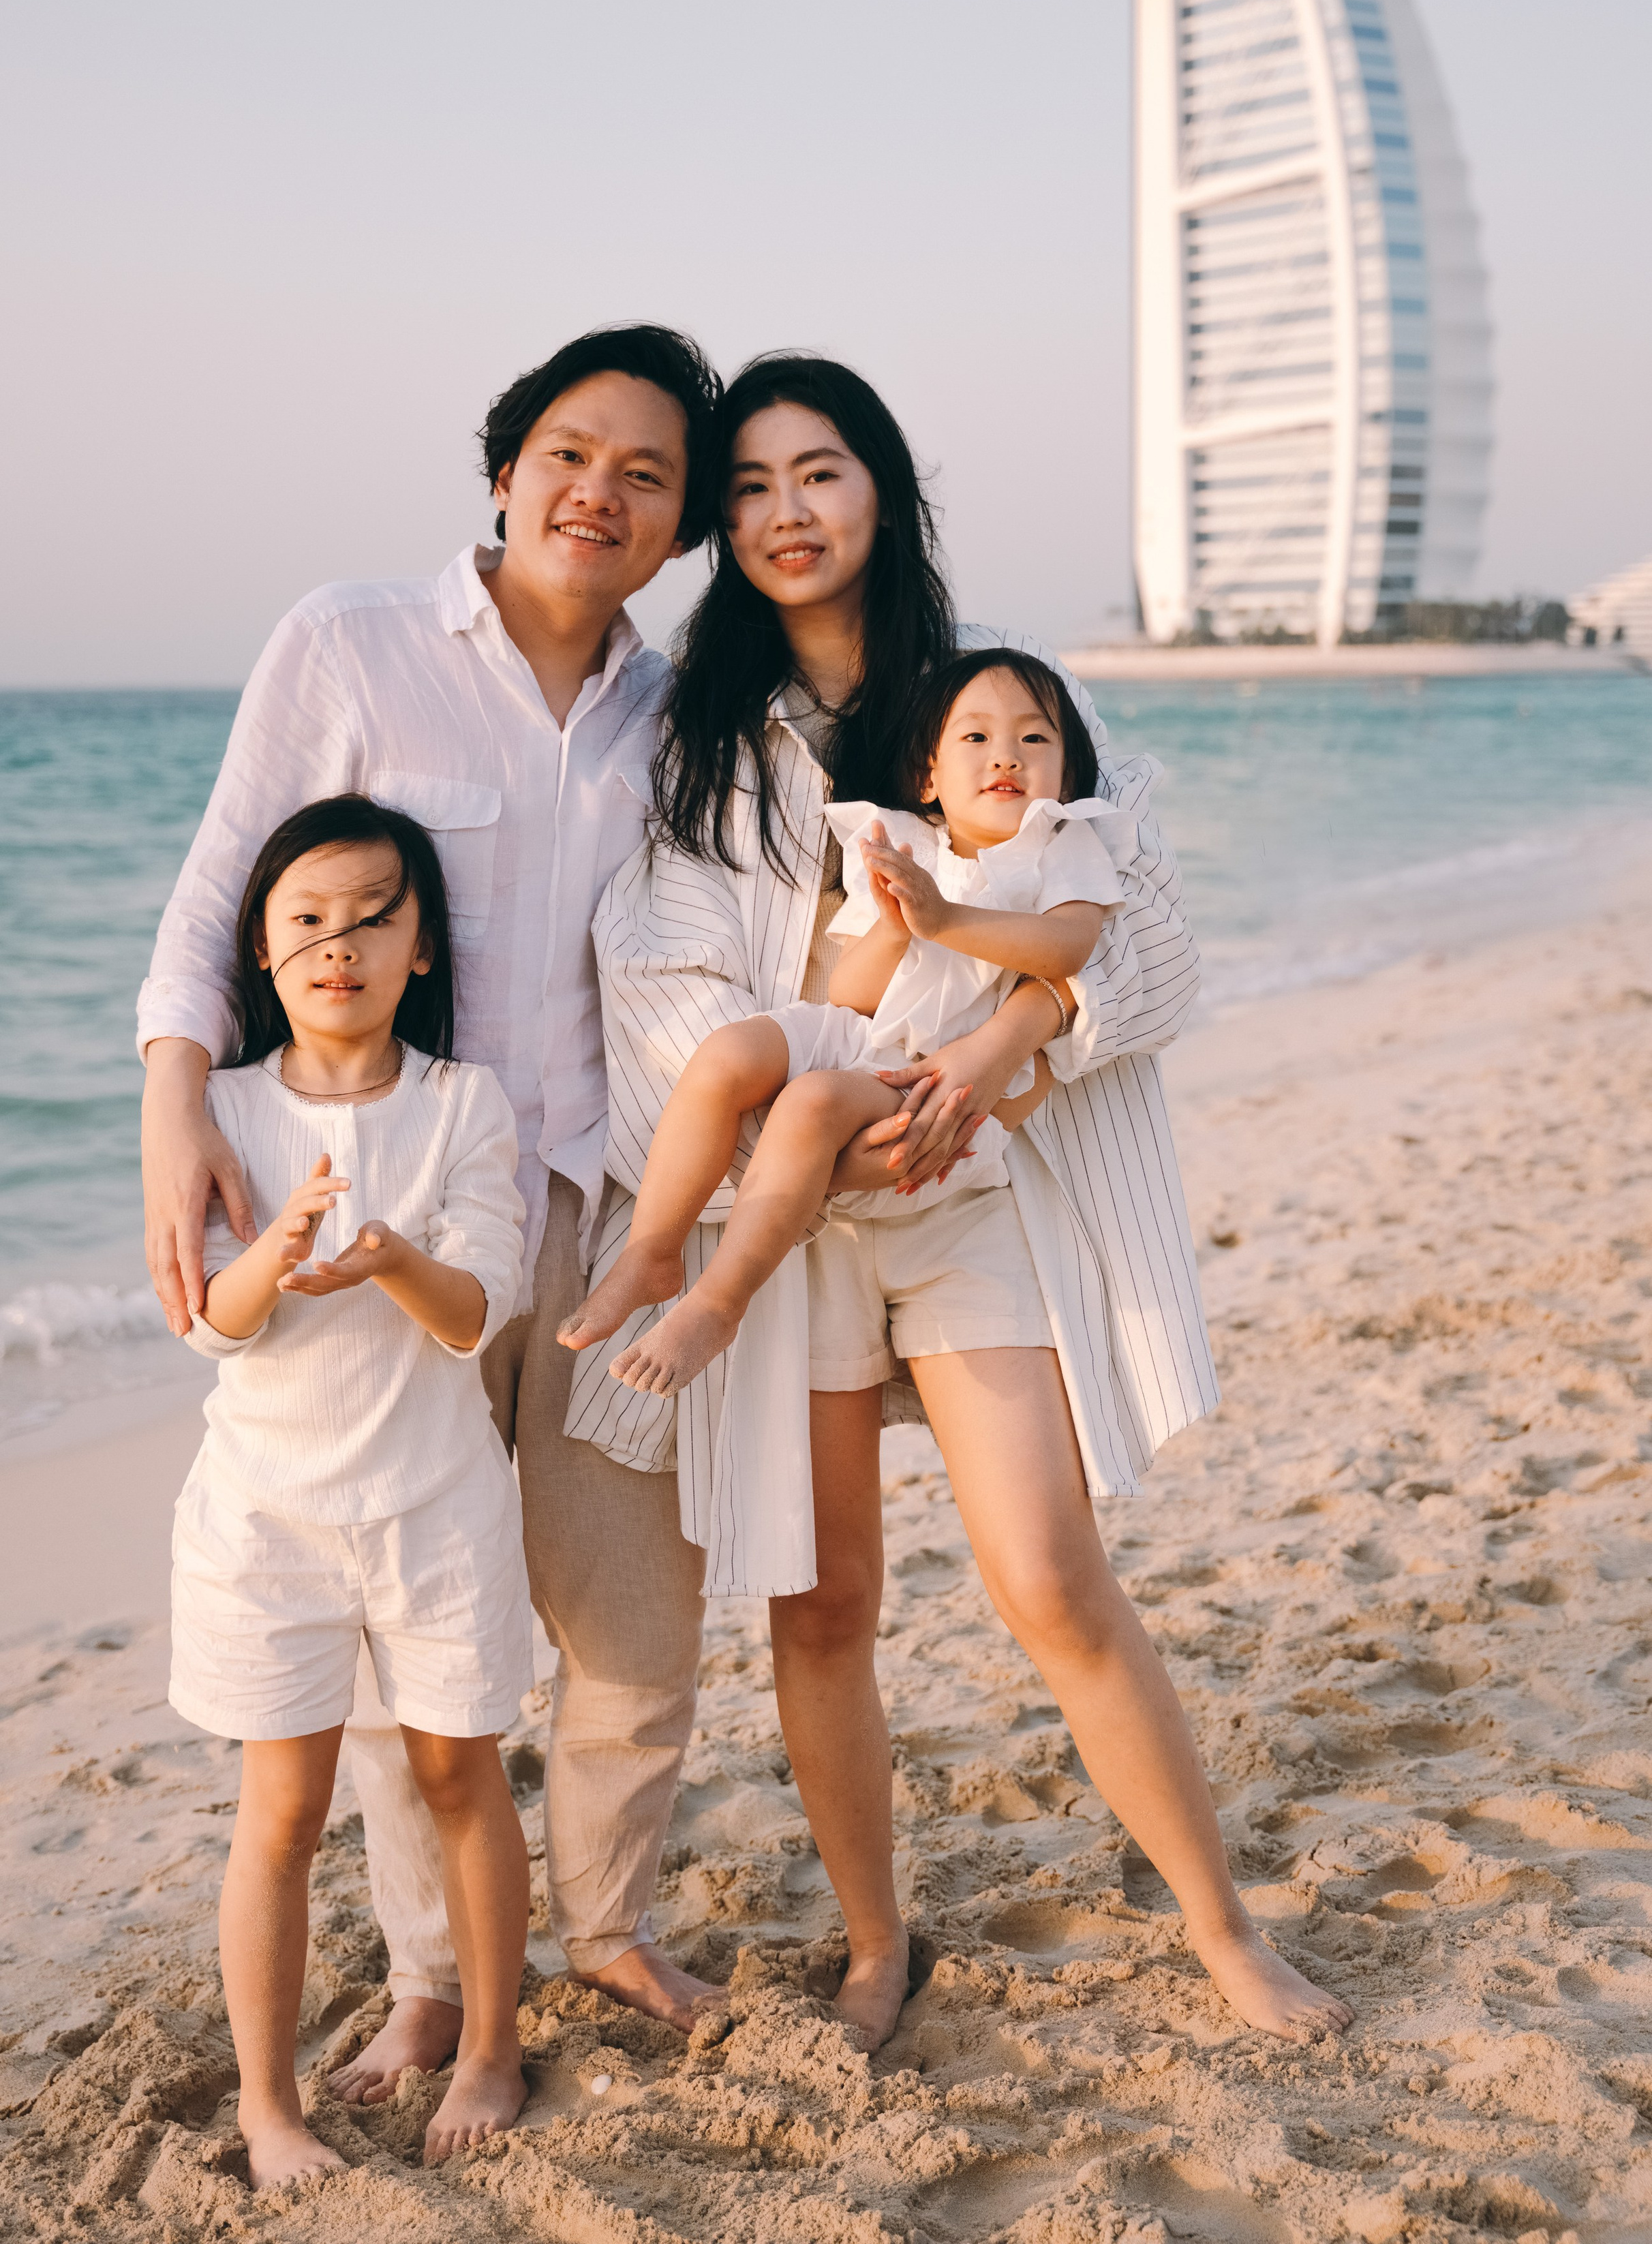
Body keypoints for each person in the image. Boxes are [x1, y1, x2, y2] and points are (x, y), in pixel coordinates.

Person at [565, 352, 1351, 2046]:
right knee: (821, 1597)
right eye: (753, 486)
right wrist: (814, 1117)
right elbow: (659, 976)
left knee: (1052, 1579)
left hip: (978, 1181)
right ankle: (870, 1945)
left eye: (820, 472)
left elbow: (1141, 936)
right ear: (723, 521)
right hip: (790, 1219)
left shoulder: (998, 694)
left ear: (884, 494)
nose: (786, 511)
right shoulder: (687, 740)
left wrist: (999, 1060)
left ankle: (1220, 1929)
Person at [139, 326, 741, 2104]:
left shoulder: (679, 705)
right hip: (383, 1217)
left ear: (678, 521)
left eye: (647, 474)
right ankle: (421, 1980)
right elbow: (219, 882)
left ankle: (609, 1918)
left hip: (606, 1205)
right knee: (416, 1614)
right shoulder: (352, 640)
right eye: (572, 450)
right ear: (503, 466)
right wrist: (179, 1097)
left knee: (633, 1602)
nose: (600, 493)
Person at [169, 796, 528, 2185]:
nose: (341, 944)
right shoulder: (227, 1109)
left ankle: (489, 2039)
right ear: (262, 951)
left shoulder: (462, 1105)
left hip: (436, 1501)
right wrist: (284, 1241)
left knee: (456, 1767)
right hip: (265, 1519)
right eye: (307, 920)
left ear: (421, 943)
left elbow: (475, 1307)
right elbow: (212, 1318)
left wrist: (384, 1253)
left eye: (374, 914)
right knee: (282, 1810)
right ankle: (268, 2105)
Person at [560, 649, 1132, 1396]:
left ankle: (719, 1299)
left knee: (814, 1102)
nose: (1006, 758)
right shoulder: (904, 842)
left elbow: (1069, 946)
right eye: (976, 739)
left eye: (1034, 740)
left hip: (931, 1078)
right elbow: (854, 994)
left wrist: (946, 917)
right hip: (865, 1037)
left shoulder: (1061, 844)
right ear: (929, 774)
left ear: (1065, 775)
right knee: (728, 1053)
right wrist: (897, 926)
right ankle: (652, 1248)